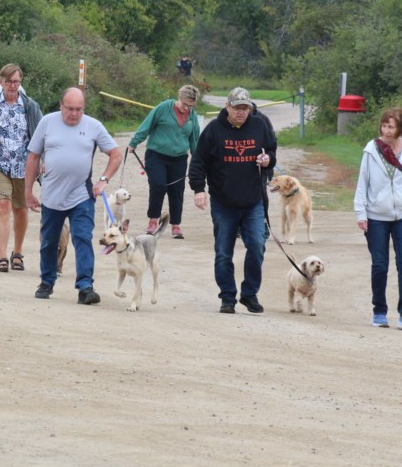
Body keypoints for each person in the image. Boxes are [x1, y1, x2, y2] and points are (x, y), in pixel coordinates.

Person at [25, 88, 123, 304]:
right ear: (61, 105)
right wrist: (28, 191)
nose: (74, 114)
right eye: (70, 109)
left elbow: (116, 155)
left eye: (79, 109)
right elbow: (33, 157)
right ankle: (47, 281)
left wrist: (103, 180)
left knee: (82, 238)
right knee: (49, 242)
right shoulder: (47, 123)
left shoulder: (93, 126)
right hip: (51, 197)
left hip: (82, 195)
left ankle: (86, 287)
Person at [188, 87, 277, 315]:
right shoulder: (214, 130)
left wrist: (267, 160)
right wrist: (199, 189)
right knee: (223, 252)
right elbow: (198, 162)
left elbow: (272, 151)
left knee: (257, 245)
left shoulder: (260, 125)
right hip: (223, 201)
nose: (241, 112)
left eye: (245, 108)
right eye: (237, 107)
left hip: (253, 200)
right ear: (227, 107)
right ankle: (227, 297)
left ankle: (249, 294)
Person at [354, 106, 402, 331]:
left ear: (400, 128)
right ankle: (379, 312)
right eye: (384, 126)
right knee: (379, 265)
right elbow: (362, 183)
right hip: (376, 216)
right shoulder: (371, 150)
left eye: (391, 126)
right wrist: (361, 213)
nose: (386, 131)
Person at [0, 64, 44, 273]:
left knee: (21, 209)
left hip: (25, 166)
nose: (13, 85)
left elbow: (42, 137)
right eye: (9, 81)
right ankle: (2, 256)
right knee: (2, 206)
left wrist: (45, 161)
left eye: (17, 81)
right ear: (1, 82)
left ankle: (18, 252)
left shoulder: (31, 107)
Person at [127, 84, 200, 239]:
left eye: (190, 106)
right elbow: (147, 125)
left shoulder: (192, 116)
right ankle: (153, 220)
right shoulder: (163, 108)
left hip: (179, 158)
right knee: (158, 186)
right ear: (179, 98)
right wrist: (134, 142)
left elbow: (194, 140)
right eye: (184, 104)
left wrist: (198, 158)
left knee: (177, 190)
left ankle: (176, 225)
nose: (186, 108)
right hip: (156, 155)